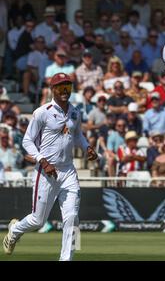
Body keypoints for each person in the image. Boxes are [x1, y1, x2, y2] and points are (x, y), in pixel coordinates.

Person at [3, 73, 97, 260]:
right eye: (60, 87)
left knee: (72, 218)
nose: (64, 90)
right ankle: (14, 231)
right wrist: (42, 161)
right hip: (46, 172)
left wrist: (87, 147)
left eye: (68, 86)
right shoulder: (42, 112)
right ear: (52, 89)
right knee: (38, 220)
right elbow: (27, 141)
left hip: (68, 170)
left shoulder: (76, 112)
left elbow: (77, 135)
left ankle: (66, 258)